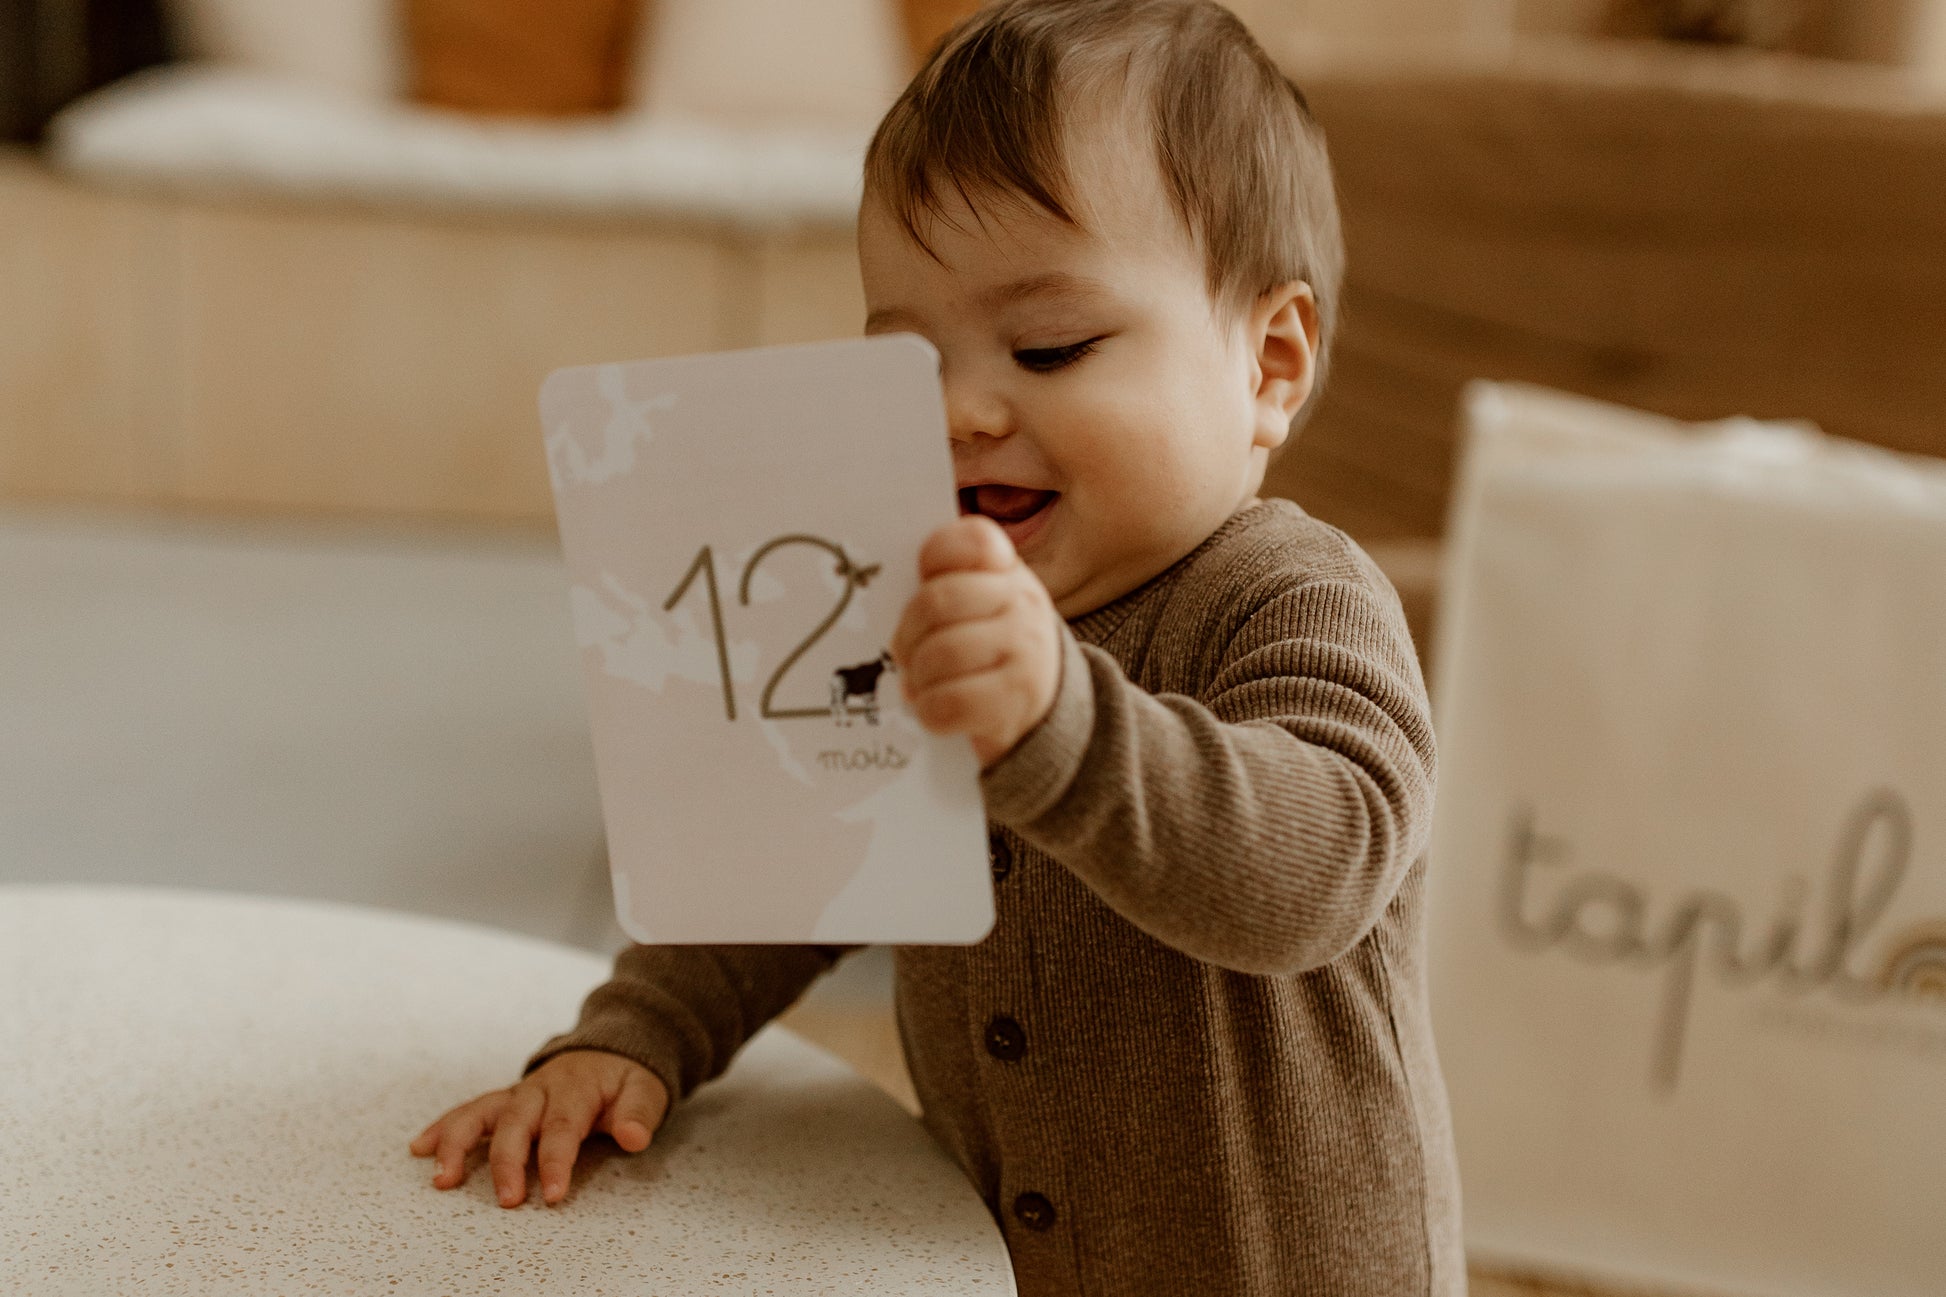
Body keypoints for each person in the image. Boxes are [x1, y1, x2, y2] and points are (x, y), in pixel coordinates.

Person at [411, 2, 1462, 1292]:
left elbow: (1318, 877)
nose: (960, 412)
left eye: (1051, 347)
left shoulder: (1290, 594)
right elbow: (796, 862)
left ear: (1270, 360)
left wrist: (1060, 729)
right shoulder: (904, 586)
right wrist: (635, 1034)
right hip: (998, 1260)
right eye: (904, 366)